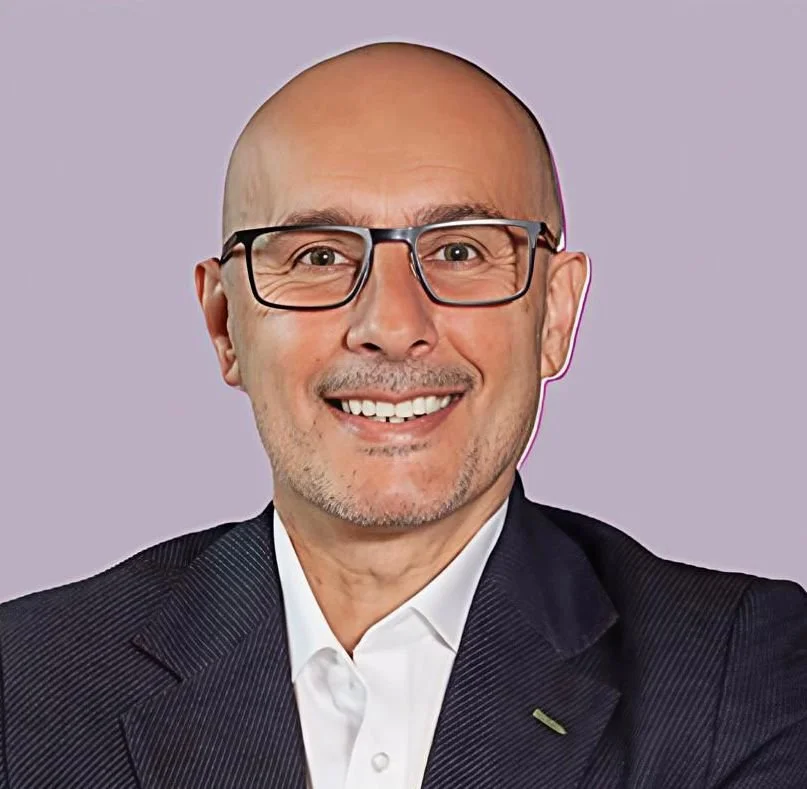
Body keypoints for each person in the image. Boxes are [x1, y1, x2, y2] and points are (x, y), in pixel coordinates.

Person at [1, 41, 805, 789]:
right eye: (318, 255)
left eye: (459, 251)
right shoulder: (26, 683)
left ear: (555, 315)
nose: (390, 323)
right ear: (224, 324)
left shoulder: (742, 677)